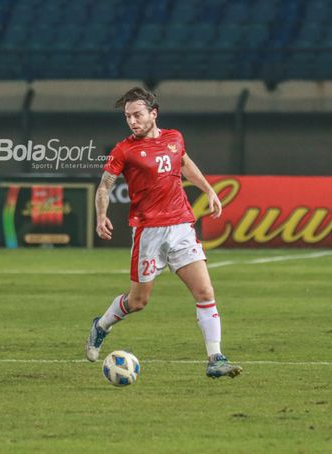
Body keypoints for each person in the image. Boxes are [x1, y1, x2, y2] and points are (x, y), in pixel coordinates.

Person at [85, 87, 242, 379]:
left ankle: (215, 358)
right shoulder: (124, 150)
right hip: (148, 233)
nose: (132, 121)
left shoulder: (174, 138)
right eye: (128, 116)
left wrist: (208, 190)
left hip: (181, 226)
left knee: (205, 292)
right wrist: (102, 215)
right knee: (138, 302)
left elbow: (183, 163)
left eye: (138, 115)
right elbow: (105, 185)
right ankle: (101, 325)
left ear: (153, 114)